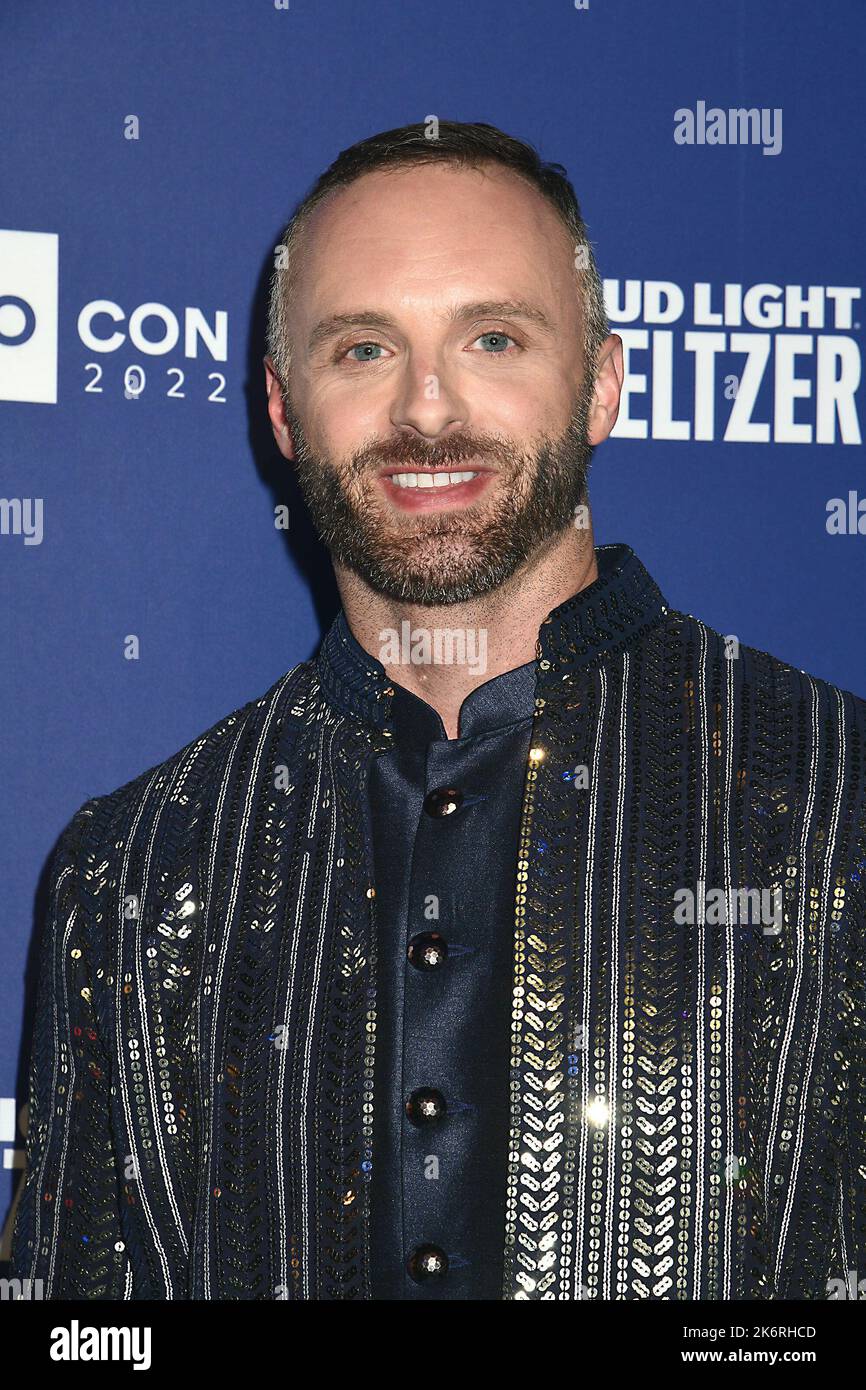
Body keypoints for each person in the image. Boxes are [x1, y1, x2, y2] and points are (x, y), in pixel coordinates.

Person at [13, 121, 866, 1301]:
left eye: (493, 338)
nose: (426, 410)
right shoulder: (131, 868)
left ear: (602, 384)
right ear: (281, 408)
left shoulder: (836, 801)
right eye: (363, 348)